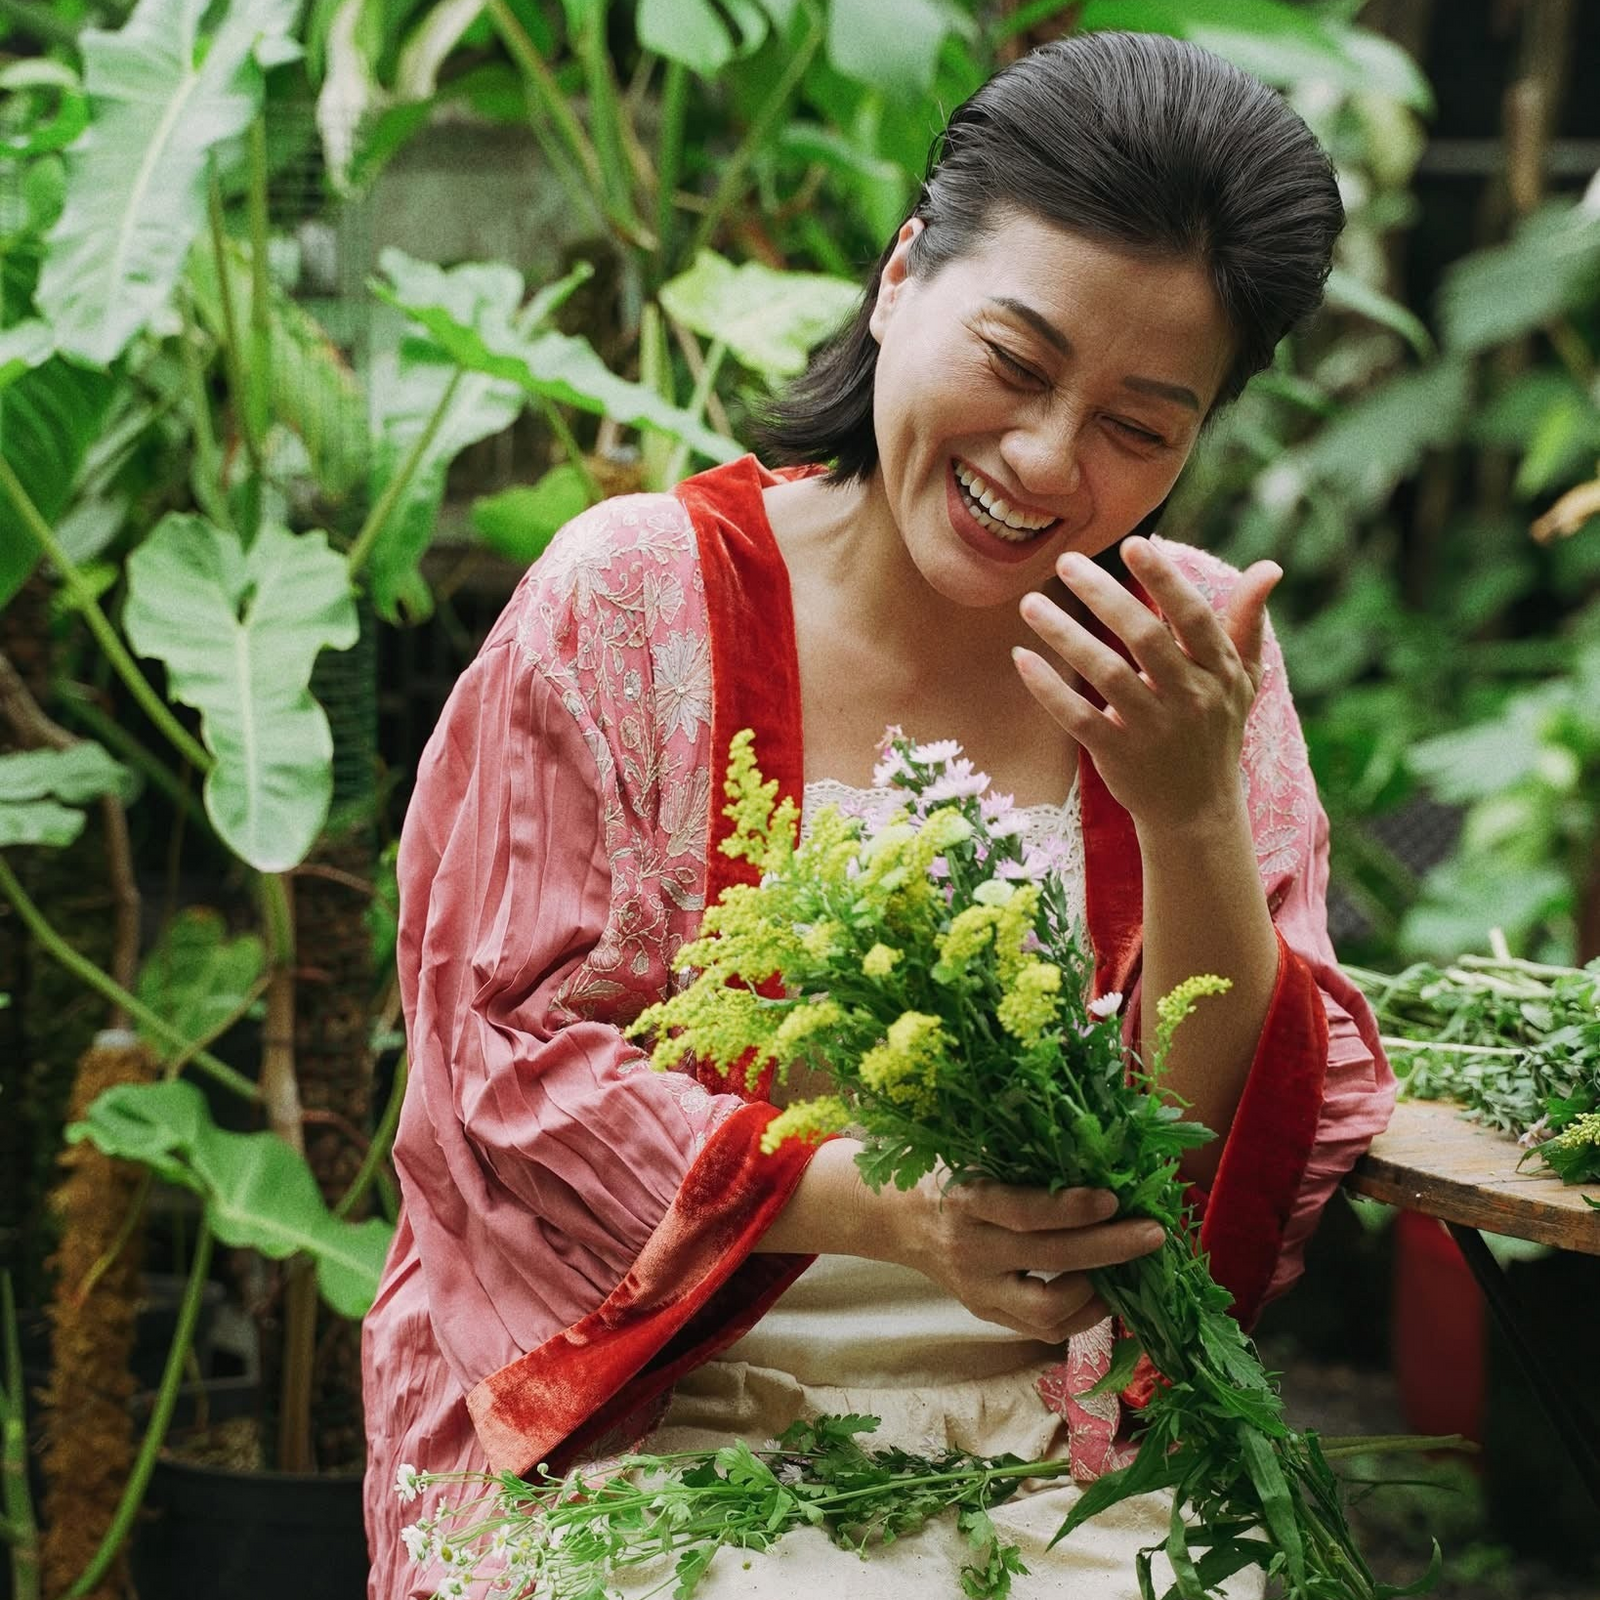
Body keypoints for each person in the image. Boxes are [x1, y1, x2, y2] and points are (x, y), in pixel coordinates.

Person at [364, 30, 1395, 1598]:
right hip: (650, 1426)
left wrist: (1188, 814)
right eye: (1017, 361)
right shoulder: (637, 599)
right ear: (903, 276)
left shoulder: (1193, 661)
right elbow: (485, 1070)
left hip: (1063, 1454)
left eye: (1141, 425)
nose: (1047, 462)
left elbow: (1202, 1177)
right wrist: (864, 1204)